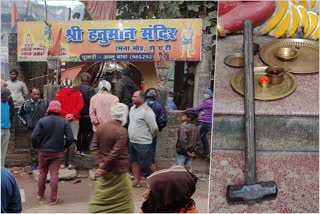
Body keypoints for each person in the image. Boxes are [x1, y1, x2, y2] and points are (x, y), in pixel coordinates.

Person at [88, 103, 134, 213]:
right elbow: (115, 153)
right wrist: (103, 167)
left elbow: (93, 146)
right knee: (125, 204)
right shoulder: (122, 131)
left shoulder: (101, 127)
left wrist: (100, 164)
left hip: (104, 174)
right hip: (118, 173)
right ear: (124, 115)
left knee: (100, 199)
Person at [31, 100, 74, 205]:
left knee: (42, 172)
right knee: (54, 174)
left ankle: (40, 194)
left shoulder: (42, 121)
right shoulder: (64, 122)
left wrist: (37, 146)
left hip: (43, 151)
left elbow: (33, 136)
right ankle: (53, 199)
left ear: (49, 109)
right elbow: (70, 138)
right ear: (59, 109)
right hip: (57, 152)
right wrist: (65, 147)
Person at [128, 91, 158, 187]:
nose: (132, 98)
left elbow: (154, 128)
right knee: (134, 162)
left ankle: (157, 181)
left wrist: (148, 137)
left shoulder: (147, 111)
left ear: (142, 98)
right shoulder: (132, 108)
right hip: (132, 141)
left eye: (135, 96)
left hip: (143, 142)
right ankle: (137, 181)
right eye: (133, 96)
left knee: (147, 163)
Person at [55, 78, 83, 169]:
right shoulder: (78, 92)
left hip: (62, 118)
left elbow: (57, 105)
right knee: (73, 139)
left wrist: (65, 114)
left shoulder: (59, 93)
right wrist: (72, 114)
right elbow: (81, 104)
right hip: (74, 119)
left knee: (63, 139)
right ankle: (70, 163)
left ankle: (62, 163)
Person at [18, 88, 48, 173]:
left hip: (43, 129)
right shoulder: (26, 104)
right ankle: (34, 163)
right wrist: (26, 123)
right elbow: (19, 114)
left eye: (38, 94)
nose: (36, 96)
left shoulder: (44, 103)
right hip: (32, 129)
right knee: (33, 146)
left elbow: (49, 113)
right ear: (31, 94)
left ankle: (42, 163)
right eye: (34, 94)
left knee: (43, 146)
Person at [187, 88, 213, 160]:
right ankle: (206, 153)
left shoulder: (208, 102)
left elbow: (198, 108)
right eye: (205, 93)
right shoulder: (208, 101)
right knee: (203, 137)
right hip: (207, 122)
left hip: (204, 122)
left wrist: (189, 109)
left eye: (206, 93)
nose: (205, 94)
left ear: (210, 95)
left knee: (196, 136)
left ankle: (196, 153)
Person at [74, 72, 96, 155]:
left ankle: (78, 149)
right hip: (87, 115)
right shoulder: (90, 89)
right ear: (89, 79)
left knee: (78, 132)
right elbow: (92, 102)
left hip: (76, 115)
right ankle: (84, 149)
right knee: (86, 133)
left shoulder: (75, 88)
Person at [145, 88, 167, 165]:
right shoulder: (159, 105)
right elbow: (163, 120)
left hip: (140, 130)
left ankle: (140, 169)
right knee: (151, 149)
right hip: (153, 130)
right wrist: (159, 128)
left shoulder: (141, 103)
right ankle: (149, 167)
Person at [1, 88, 12, 167]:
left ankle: (1, 168)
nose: (9, 97)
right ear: (3, 96)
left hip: (6, 129)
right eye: (8, 96)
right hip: (0, 129)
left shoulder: (7, 103)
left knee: (4, 150)